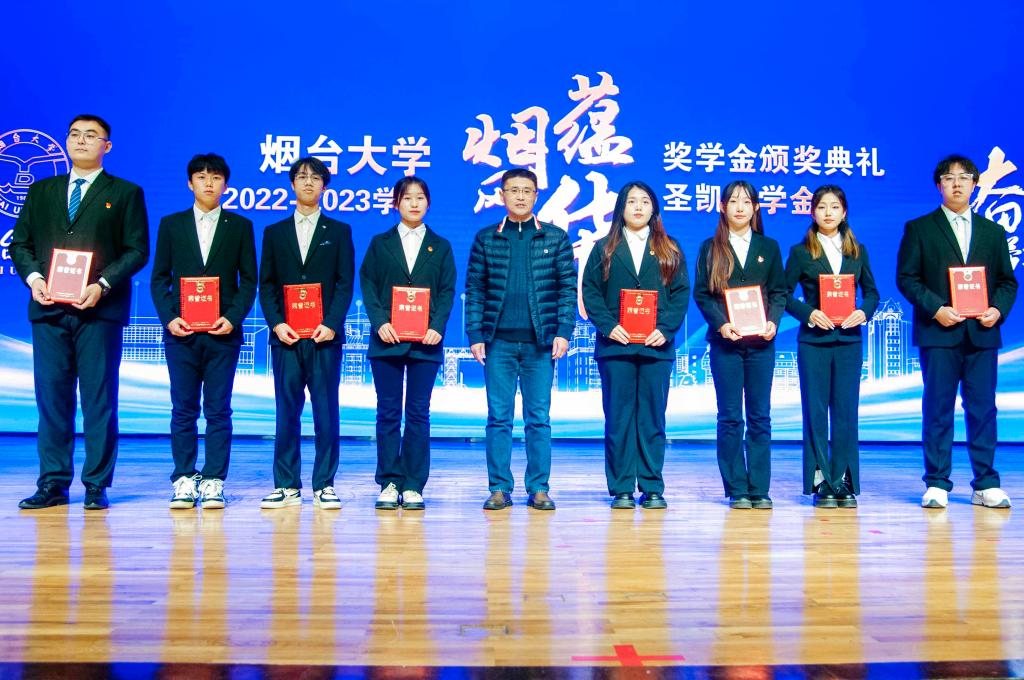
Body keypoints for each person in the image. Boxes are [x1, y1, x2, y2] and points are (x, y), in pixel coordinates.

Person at [12, 114, 149, 510]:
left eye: (91, 135)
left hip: (98, 311)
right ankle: (53, 483)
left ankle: (95, 484)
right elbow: (20, 244)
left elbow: (137, 250)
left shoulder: (125, 193)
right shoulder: (42, 190)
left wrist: (101, 284)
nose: (81, 140)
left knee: (98, 400)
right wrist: (35, 278)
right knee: (52, 399)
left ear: (107, 146)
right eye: (74, 134)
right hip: (48, 309)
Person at [896, 154, 1018, 509]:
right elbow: (907, 278)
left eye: (964, 178)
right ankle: (937, 483)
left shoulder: (993, 232)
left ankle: (986, 483)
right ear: (939, 185)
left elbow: (1007, 282)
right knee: (938, 408)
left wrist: (997, 309)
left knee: (983, 409)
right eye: (949, 178)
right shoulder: (920, 228)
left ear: (974, 185)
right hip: (939, 332)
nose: (957, 184)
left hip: (982, 332)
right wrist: (937, 308)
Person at [150, 153, 257, 509]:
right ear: (190, 183)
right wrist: (170, 318)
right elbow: (159, 279)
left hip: (222, 333)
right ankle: (183, 477)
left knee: (218, 409)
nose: (208, 183)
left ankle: (213, 479)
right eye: (201, 176)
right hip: (181, 333)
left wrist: (233, 317)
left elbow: (249, 280)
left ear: (226, 184)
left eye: (215, 177)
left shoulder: (240, 226)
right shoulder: (171, 224)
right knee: (183, 408)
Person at [464, 168, 576, 511]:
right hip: (498, 343)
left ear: (536, 196)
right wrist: (475, 334)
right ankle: (499, 488)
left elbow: (567, 289)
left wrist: (563, 331)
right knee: (498, 418)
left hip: (540, 344)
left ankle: (539, 488)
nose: (520, 196)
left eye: (527, 191)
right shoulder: (487, 238)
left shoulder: (555, 238)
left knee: (538, 418)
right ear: (502, 195)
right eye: (513, 190)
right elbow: (475, 289)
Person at [581, 181, 689, 509]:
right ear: (621, 208)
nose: (638, 207)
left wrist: (665, 329)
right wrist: (609, 326)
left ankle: (652, 486)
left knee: (653, 419)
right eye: (631, 201)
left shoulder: (670, 248)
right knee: (618, 418)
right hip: (617, 346)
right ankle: (622, 488)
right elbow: (590, 292)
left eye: (644, 201)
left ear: (654, 209)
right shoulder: (604, 248)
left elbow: (680, 293)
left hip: (656, 347)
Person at [258, 157, 354, 510]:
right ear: (292, 184)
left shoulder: (339, 231)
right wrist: (276, 323)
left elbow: (344, 283)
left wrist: (331, 323)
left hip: (324, 337)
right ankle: (286, 485)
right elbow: (266, 284)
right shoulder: (274, 232)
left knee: (326, 411)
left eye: (315, 177)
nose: (308, 182)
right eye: (301, 177)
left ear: (324, 185)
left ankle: (324, 484)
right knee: (286, 411)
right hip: (286, 337)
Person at [359, 176, 456, 510]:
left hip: (425, 343)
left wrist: (437, 326)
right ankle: (389, 481)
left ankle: (414, 483)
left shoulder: (440, 246)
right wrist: (380, 322)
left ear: (428, 203)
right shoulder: (380, 243)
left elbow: (447, 291)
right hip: (387, 339)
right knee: (387, 412)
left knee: (418, 413)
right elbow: (368, 285)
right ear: (396, 203)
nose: (414, 203)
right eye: (407, 197)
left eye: (420, 197)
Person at [693, 180, 787, 510]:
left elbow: (779, 291)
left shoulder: (769, 247)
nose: (739, 207)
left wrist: (773, 320)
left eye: (746, 202)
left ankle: (759, 487)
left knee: (760, 416)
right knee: (730, 416)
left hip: (761, 344)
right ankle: (736, 488)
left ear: (756, 207)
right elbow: (702, 294)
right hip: (726, 344)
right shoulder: (710, 247)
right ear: (722, 207)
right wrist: (722, 323)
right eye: (733, 201)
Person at [784, 185, 879, 508]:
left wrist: (863, 312)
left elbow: (872, 293)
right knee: (815, 412)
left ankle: (844, 481)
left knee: (846, 412)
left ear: (844, 212)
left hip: (849, 340)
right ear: (812, 212)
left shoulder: (857, 251)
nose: (828, 212)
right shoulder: (801, 252)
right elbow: (782, 294)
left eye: (834, 207)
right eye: (822, 207)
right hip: (814, 341)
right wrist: (809, 313)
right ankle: (821, 481)